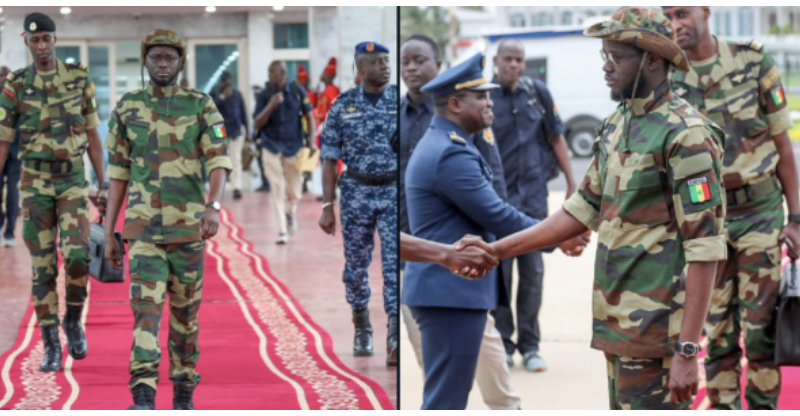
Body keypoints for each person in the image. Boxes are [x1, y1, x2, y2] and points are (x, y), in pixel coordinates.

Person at [460, 7, 728, 409]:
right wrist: (496, 251)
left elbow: (706, 248)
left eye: (616, 58)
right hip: (618, 327)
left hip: (660, 335)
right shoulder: (617, 124)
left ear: (653, 59)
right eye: (604, 55)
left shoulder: (685, 136)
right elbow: (579, 210)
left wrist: (688, 350)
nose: (605, 67)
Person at [663, 6, 798, 410]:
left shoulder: (753, 60)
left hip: (761, 212)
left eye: (682, 14)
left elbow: (783, 145)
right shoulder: (669, 74)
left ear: (706, 10)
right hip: (707, 224)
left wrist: (797, 218)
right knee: (717, 334)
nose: (675, 25)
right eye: (668, 16)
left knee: (761, 333)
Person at [403, 52, 543, 410]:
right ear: (454, 103)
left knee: (449, 398)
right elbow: (497, 214)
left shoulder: (450, 143)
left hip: (451, 293)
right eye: (480, 96)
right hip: (448, 293)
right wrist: (560, 232)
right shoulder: (450, 153)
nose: (488, 102)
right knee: (446, 402)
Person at [103, 29, 232, 410]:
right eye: (156, 57)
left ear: (181, 63)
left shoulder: (200, 105)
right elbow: (118, 174)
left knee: (185, 317)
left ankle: (183, 391)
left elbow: (219, 159)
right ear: (145, 61)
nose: (163, 64)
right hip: (142, 231)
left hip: (188, 229)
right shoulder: (127, 108)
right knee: (146, 311)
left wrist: (214, 205)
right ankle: (142, 394)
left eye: (170, 58)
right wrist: (111, 230)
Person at [0, 12, 107, 373]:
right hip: (34, 183)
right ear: (25, 41)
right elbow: (3, 141)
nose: (42, 46)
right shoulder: (15, 85)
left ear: (55, 39)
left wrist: (103, 183)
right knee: (42, 266)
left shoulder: (78, 79)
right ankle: (49, 343)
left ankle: (73, 320)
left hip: (73, 180)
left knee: (77, 256)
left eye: (47, 39)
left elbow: (93, 135)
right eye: (35, 40)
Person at [489, 38, 577, 372]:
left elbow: (556, 137)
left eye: (519, 59)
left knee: (533, 275)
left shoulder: (538, 94)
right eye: (508, 59)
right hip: (498, 205)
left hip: (534, 204)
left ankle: (530, 346)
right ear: (496, 61)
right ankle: (504, 345)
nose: (514, 65)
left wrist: (571, 183)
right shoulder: (484, 96)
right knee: (501, 276)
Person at [319, 41, 398, 365]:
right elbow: (328, 157)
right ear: (361, 69)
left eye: (386, 60)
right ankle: (362, 324)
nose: (385, 66)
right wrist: (327, 206)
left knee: (395, 265)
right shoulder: (342, 106)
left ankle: (394, 333)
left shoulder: (400, 102)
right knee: (356, 265)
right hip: (356, 193)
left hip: (394, 190)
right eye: (377, 62)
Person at [254, 60, 316, 244]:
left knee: (295, 190)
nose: (269, 75)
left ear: (282, 73)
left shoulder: (297, 91)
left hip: (293, 146)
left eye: (272, 72)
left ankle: (291, 212)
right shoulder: (265, 95)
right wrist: (271, 105)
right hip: (270, 146)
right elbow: (257, 122)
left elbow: (310, 116)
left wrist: (311, 141)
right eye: (268, 72)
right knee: (277, 188)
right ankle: (282, 230)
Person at [212, 71, 249, 200]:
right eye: (224, 81)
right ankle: (219, 187)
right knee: (220, 160)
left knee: (236, 160)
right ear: (221, 82)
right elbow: (210, 109)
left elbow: (243, 113)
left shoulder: (237, 94)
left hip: (236, 131)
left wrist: (248, 131)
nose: (227, 83)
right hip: (219, 131)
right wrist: (222, 97)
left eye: (229, 81)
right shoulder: (216, 93)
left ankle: (236, 187)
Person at [0, 65, 22, 248]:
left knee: (11, 192)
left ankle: (7, 229)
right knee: (7, 191)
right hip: (7, 152)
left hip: (11, 151)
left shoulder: (14, 97)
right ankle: (5, 227)